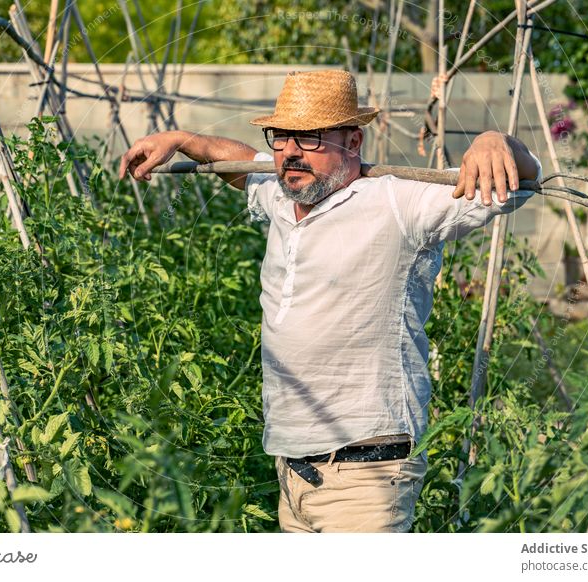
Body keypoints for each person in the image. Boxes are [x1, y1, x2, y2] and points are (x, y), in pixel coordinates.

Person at [119, 69, 541, 533]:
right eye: (282, 137)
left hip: (366, 474)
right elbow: (239, 160)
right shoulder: (282, 192)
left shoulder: (400, 203)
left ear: (353, 142)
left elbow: (519, 185)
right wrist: (179, 139)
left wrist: (496, 142)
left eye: (311, 139)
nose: (291, 152)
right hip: (295, 475)